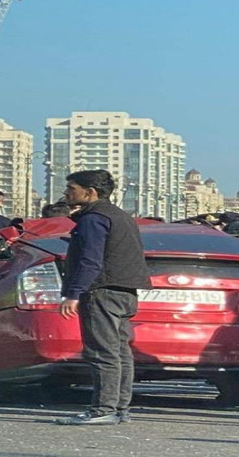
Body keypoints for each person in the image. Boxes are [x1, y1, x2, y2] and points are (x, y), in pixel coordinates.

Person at [54, 170, 151, 426]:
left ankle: (102, 409)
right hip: (125, 291)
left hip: (102, 292)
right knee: (120, 351)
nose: (66, 194)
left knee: (102, 352)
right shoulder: (120, 216)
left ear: (90, 192)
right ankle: (119, 407)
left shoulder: (94, 219)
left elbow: (90, 260)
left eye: (71, 189)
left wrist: (73, 294)